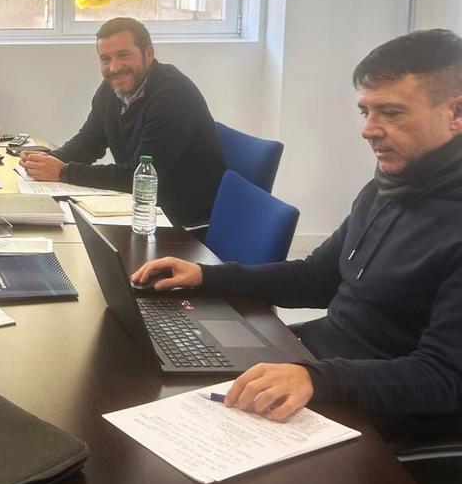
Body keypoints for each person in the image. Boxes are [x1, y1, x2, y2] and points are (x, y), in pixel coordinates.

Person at [132, 29, 462, 427]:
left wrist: (316, 378)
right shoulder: (389, 186)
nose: (368, 129)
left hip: (380, 410)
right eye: (366, 112)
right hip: (320, 368)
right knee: (149, 382)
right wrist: (207, 276)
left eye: (391, 113)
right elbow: (315, 278)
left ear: (456, 113)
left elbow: (445, 376)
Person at [21, 17, 226, 228]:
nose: (114, 68)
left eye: (123, 55)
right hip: (144, 210)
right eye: (105, 59)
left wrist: (64, 171)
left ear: (149, 53)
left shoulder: (173, 96)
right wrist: (47, 161)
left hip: (184, 223)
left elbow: (137, 176)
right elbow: (89, 142)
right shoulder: (111, 89)